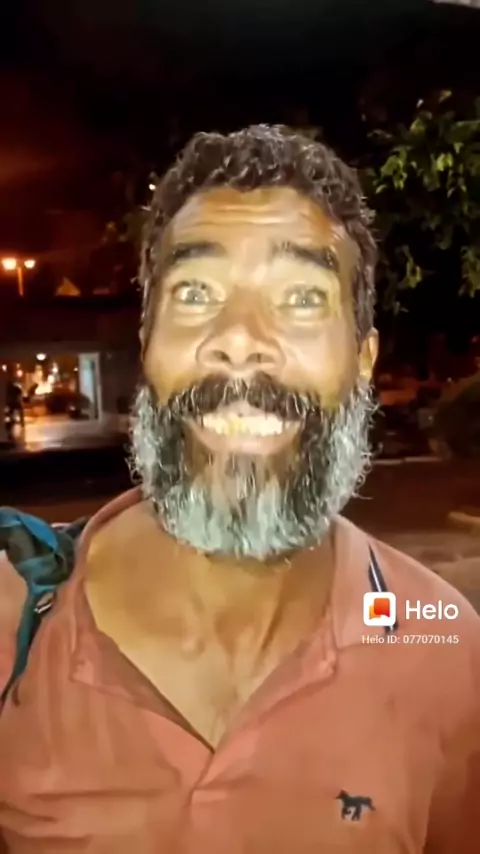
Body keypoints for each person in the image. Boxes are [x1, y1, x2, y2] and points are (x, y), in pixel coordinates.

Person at [0, 125, 479, 853]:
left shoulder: (443, 647)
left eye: (302, 297)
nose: (241, 338)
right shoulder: (11, 623)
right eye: (196, 292)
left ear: (363, 360)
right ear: (147, 344)